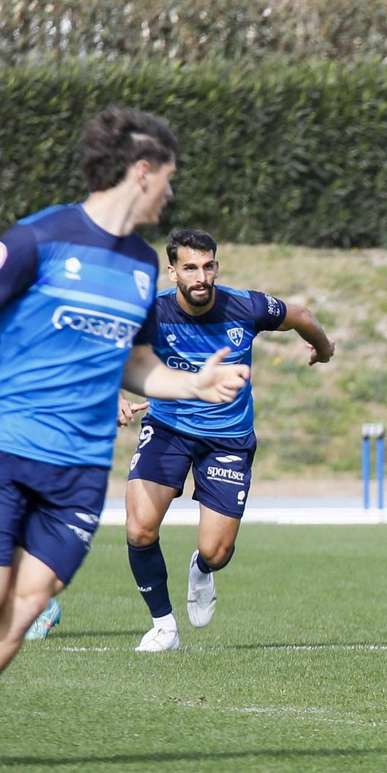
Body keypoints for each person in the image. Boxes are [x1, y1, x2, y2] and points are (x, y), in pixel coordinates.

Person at [0, 107, 250, 771]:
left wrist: (192, 383)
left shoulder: (139, 266)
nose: (170, 191)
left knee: (22, 609)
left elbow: (134, 363)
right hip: (8, 447)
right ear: (142, 171)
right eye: (168, 177)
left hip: (78, 472)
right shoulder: (41, 235)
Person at [122, 229, 334, 653]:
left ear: (216, 266)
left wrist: (323, 350)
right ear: (172, 272)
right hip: (168, 429)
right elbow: (103, 356)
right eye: (190, 268)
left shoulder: (246, 306)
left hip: (228, 441)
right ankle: (164, 626)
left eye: (207, 266)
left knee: (217, 551)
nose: (200, 277)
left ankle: (202, 569)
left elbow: (303, 316)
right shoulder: (151, 313)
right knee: (140, 528)